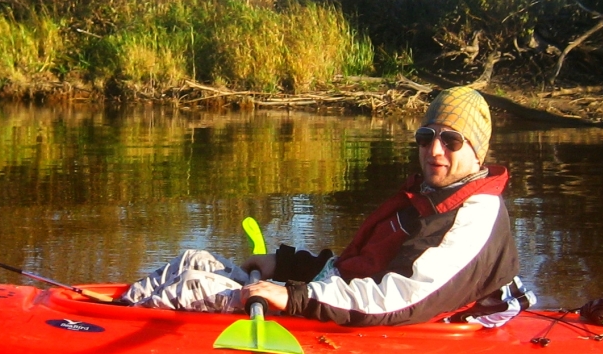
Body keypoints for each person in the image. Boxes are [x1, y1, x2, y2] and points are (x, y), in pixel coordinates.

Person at [123, 86, 531, 326]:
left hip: (385, 321)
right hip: (339, 300)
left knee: (194, 287)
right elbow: (359, 268)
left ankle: (105, 332)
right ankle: (110, 312)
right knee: (193, 260)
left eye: (451, 140)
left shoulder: (473, 217)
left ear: (477, 150)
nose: (434, 150)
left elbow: (400, 298)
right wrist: (287, 265)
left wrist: (293, 297)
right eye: (426, 137)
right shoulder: (430, 196)